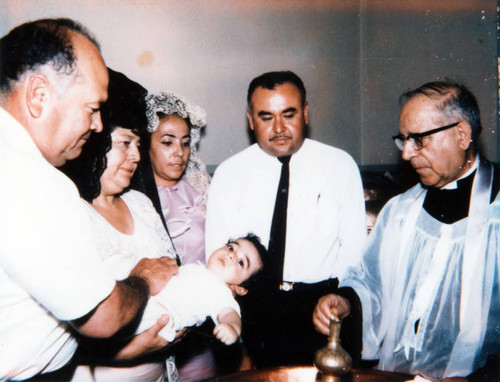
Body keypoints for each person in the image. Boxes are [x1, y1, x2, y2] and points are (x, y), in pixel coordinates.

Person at [0, 19, 177, 381]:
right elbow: (103, 317)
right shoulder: (36, 182)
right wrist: (142, 279)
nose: (97, 125)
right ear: (38, 95)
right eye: (92, 108)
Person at [313, 80, 500, 381]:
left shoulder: (495, 215)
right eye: (403, 140)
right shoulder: (401, 211)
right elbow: (370, 282)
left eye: (419, 140)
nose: (406, 154)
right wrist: (346, 302)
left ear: (462, 135)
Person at [205, 71, 367, 367]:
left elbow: (355, 257)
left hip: (322, 311)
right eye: (266, 117)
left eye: (288, 115)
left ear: (305, 112)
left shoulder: (340, 166)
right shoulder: (229, 175)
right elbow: (217, 263)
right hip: (252, 313)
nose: (279, 128)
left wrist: (342, 301)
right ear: (250, 120)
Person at [138, 234, 267, 345]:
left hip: (158, 317)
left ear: (241, 289)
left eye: (241, 262)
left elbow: (229, 314)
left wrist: (232, 328)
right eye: (231, 247)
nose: (231, 255)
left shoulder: (221, 292)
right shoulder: (196, 268)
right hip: (147, 298)